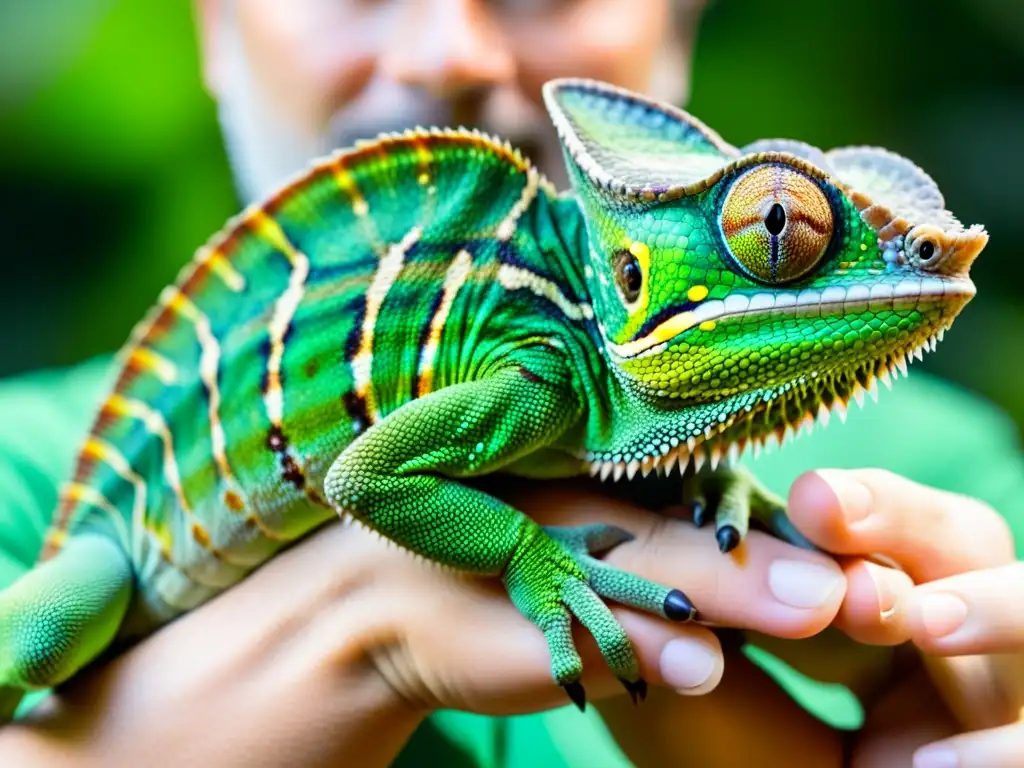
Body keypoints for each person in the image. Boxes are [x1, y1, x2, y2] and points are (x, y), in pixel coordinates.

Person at [0, 1, 1021, 765]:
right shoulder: (20, 464)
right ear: (210, 26)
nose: (448, 51)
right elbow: (368, 478)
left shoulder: (949, 470)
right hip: (120, 555)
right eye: (779, 234)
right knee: (47, 633)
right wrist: (499, 572)